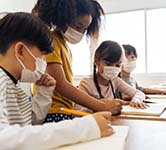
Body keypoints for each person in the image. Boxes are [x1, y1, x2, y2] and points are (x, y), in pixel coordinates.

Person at [0, 12, 114, 150]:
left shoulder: (13, 85)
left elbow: (31, 121)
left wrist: (44, 93)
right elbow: (4, 139)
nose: (43, 62)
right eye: (42, 55)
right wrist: (85, 127)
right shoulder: (2, 81)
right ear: (20, 51)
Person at [34, 0, 124, 122]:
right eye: (78, 26)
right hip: (55, 111)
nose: (80, 33)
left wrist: (97, 103)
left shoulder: (63, 45)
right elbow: (60, 84)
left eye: (85, 29)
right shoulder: (52, 41)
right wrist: (101, 106)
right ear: (62, 19)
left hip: (64, 110)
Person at [74, 40, 147, 113]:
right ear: (96, 62)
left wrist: (136, 100)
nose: (113, 68)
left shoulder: (115, 81)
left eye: (117, 65)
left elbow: (139, 93)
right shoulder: (86, 83)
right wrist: (99, 107)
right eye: (108, 64)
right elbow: (77, 112)